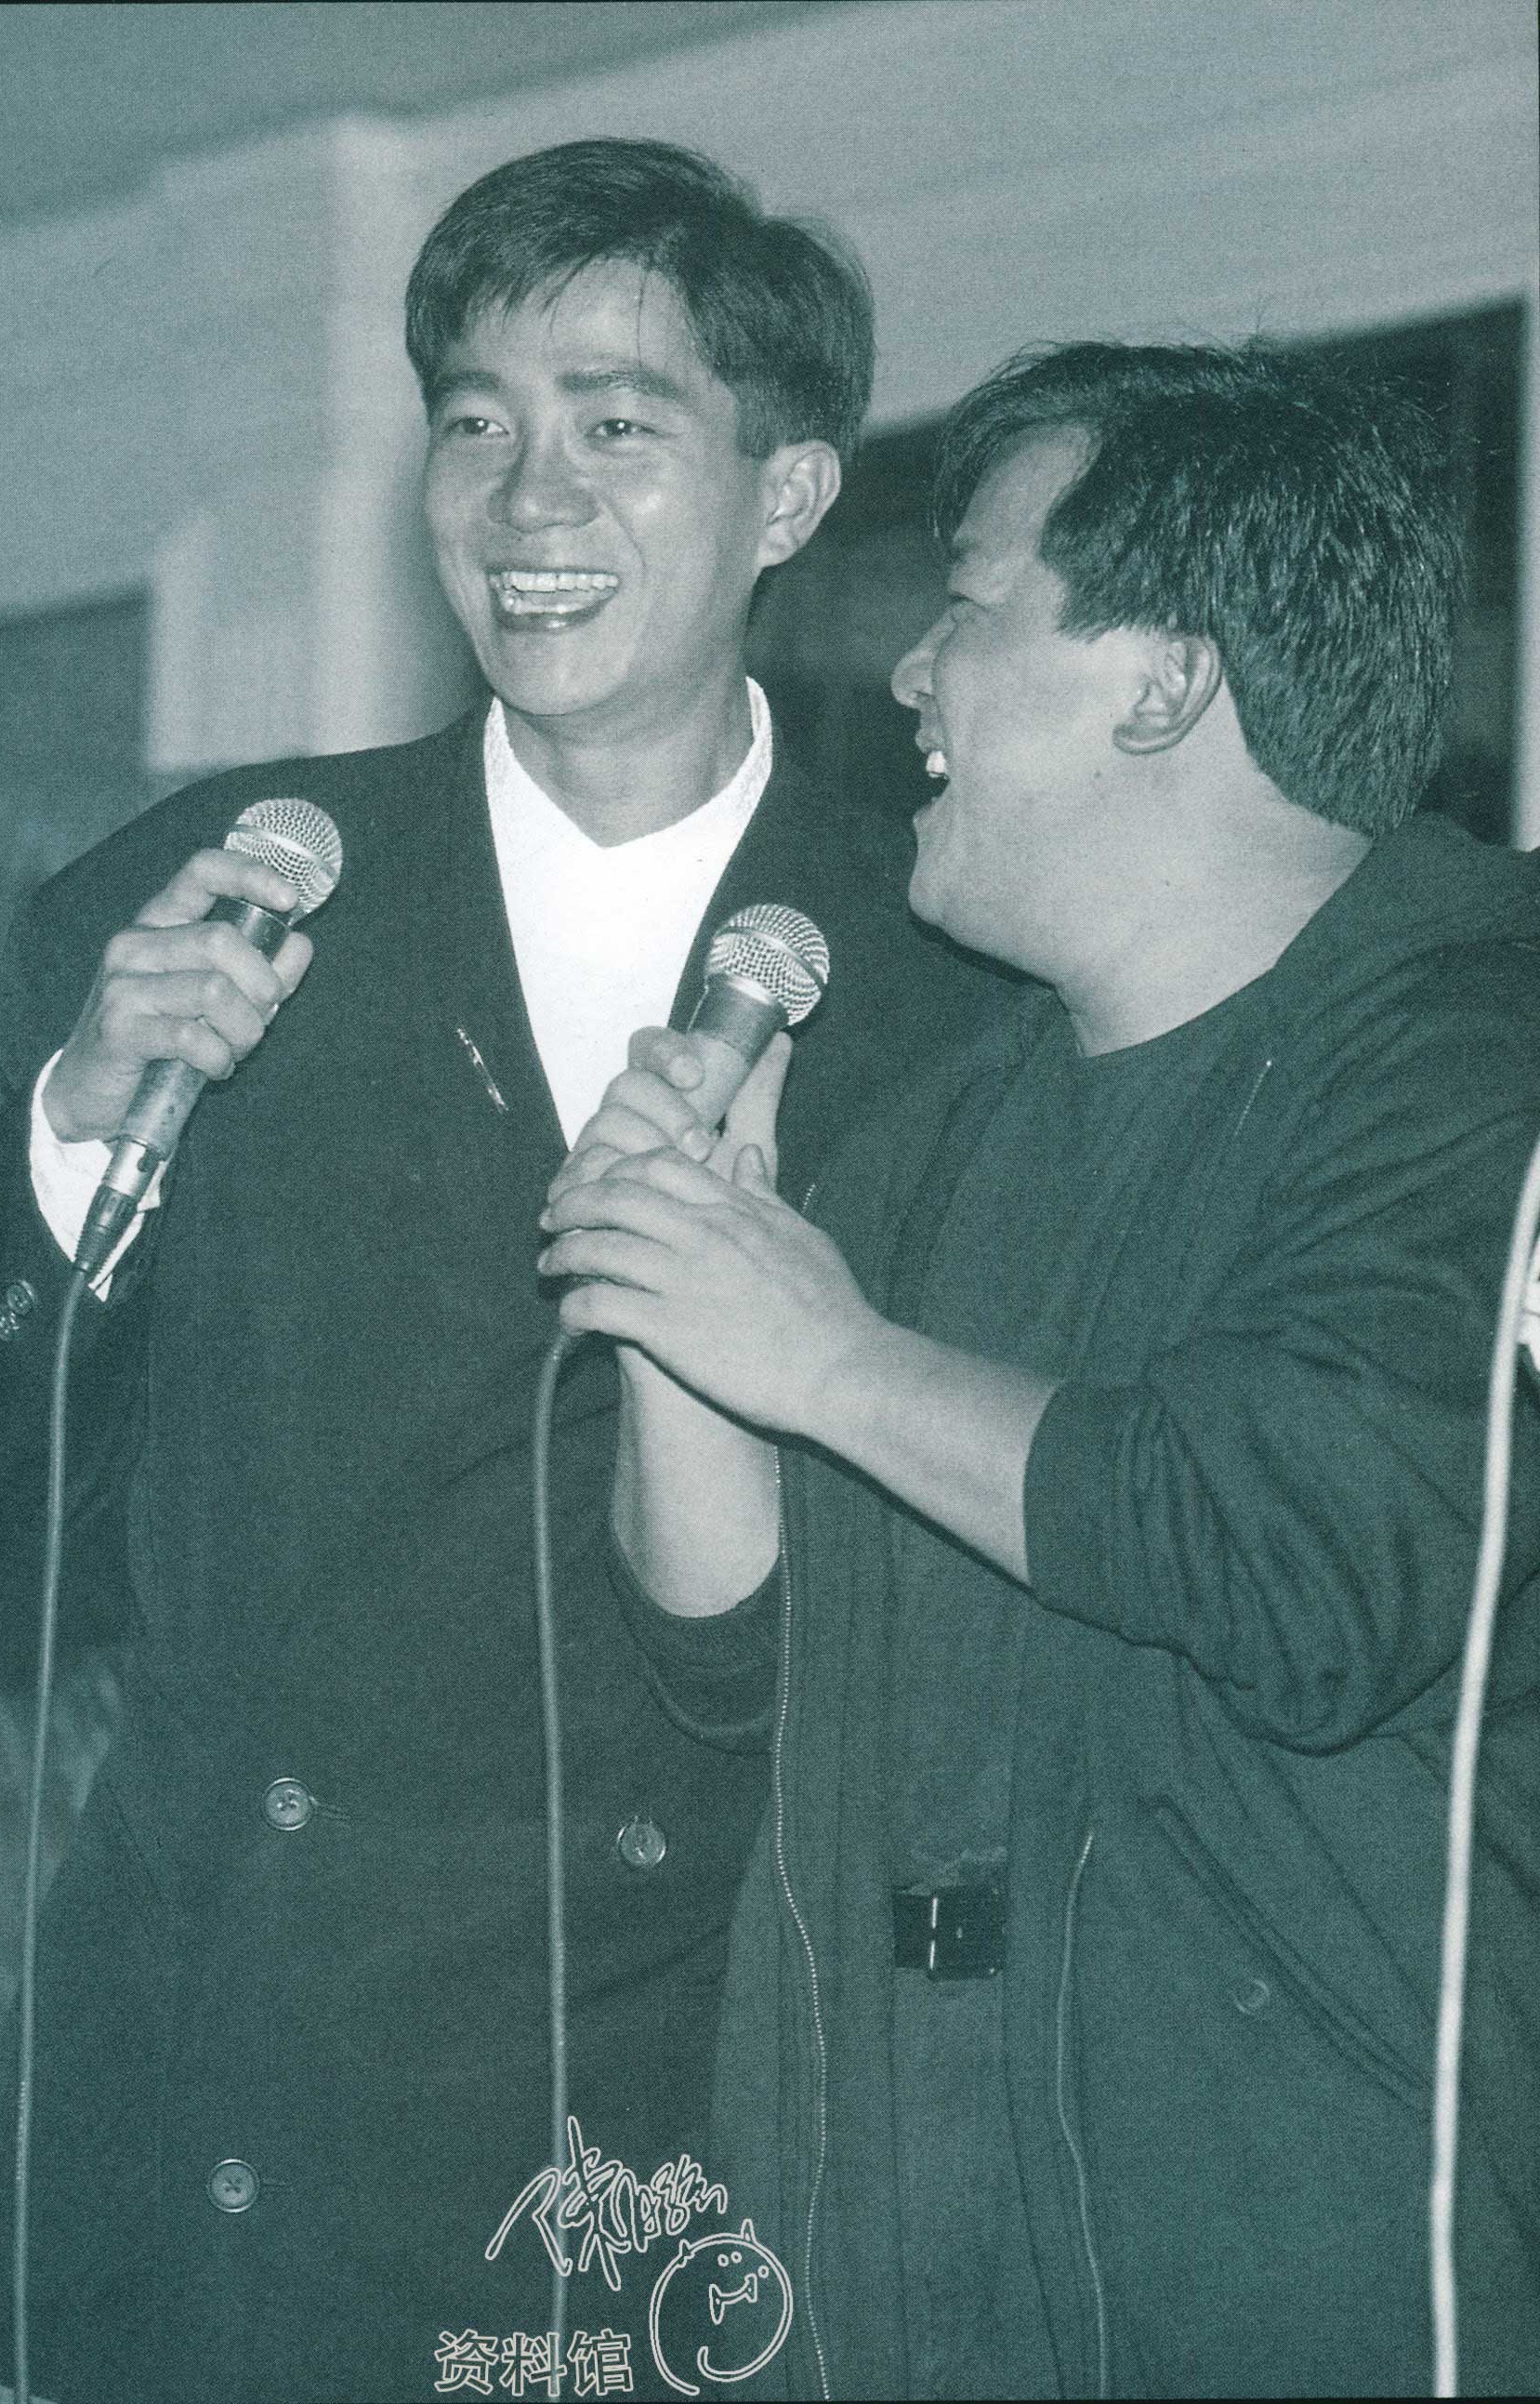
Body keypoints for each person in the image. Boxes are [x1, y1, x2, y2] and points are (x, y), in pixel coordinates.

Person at [0, 140, 994, 2402]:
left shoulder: (951, 974)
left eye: (615, 424)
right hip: (233, 2071)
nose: (524, 499)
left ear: (787, 495)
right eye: (473, 422)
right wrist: (84, 1115)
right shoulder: (213, 891)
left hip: (711, 2092)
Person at [540, 339, 1540, 2398]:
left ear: (1162, 680)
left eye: (971, 603)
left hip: (1300, 2278)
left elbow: (1305, 1553)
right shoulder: (936, 1134)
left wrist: (828, 1355)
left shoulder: (1480, 1054)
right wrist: (686, 1297)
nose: (909, 672)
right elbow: (732, 1664)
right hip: (879, 2270)